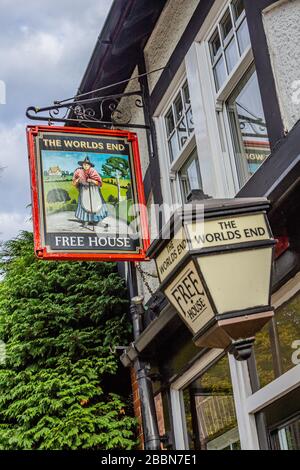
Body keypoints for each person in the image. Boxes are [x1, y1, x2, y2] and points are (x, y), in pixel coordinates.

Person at [72, 156, 108, 228]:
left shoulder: (93, 171)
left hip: (94, 191)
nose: (85, 166)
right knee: (84, 204)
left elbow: (99, 183)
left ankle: (98, 221)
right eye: (84, 164)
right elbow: (74, 182)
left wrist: (91, 180)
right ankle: (86, 221)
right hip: (84, 190)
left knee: (97, 205)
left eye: (87, 164)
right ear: (82, 165)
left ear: (90, 165)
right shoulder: (78, 171)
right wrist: (77, 180)